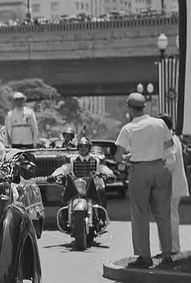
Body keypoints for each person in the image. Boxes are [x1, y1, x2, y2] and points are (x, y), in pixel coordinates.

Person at [114, 93, 174, 268]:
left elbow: (118, 156)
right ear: (144, 107)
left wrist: (128, 158)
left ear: (130, 108)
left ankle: (145, 256)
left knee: (140, 214)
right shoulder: (159, 123)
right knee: (163, 214)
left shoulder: (128, 128)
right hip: (160, 168)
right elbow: (169, 144)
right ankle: (167, 254)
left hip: (140, 170)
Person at [48, 137, 114, 207]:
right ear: (78, 148)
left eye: (85, 146)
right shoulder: (72, 159)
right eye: (81, 146)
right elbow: (63, 168)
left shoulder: (97, 159)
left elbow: (103, 168)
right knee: (64, 194)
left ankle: (101, 215)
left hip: (93, 185)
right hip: (76, 185)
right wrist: (54, 175)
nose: (83, 148)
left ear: (89, 148)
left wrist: (110, 174)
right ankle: (64, 216)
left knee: (100, 190)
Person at [159, 114, 188, 255]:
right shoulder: (174, 138)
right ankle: (170, 247)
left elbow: (169, 163)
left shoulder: (168, 139)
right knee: (171, 216)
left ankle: (172, 248)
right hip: (174, 184)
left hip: (170, 185)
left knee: (169, 217)